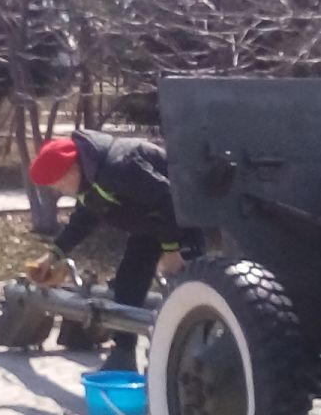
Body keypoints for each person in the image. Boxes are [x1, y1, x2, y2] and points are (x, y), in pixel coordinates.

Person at [27, 129, 204, 373]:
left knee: (190, 289)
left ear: (73, 170)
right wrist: (54, 254)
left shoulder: (120, 167)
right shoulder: (93, 179)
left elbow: (169, 199)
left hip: (182, 218)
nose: (58, 190)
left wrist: (172, 251)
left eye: (58, 183)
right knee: (127, 286)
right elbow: (84, 219)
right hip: (151, 225)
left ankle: (195, 362)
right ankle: (123, 356)